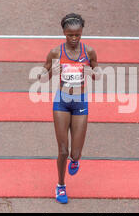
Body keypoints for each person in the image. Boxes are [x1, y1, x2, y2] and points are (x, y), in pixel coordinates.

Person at [37, 13, 101, 204]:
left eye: (77, 35)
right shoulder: (55, 52)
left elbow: (98, 73)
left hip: (80, 102)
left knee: (75, 153)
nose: (74, 39)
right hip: (62, 102)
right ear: (64, 33)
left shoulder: (89, 52)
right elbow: (40, 78)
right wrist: (49, 73)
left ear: (81, 33)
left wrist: (93, 73)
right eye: (70, 35)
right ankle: (61, 185)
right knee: (63, 150)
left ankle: (75, 160)